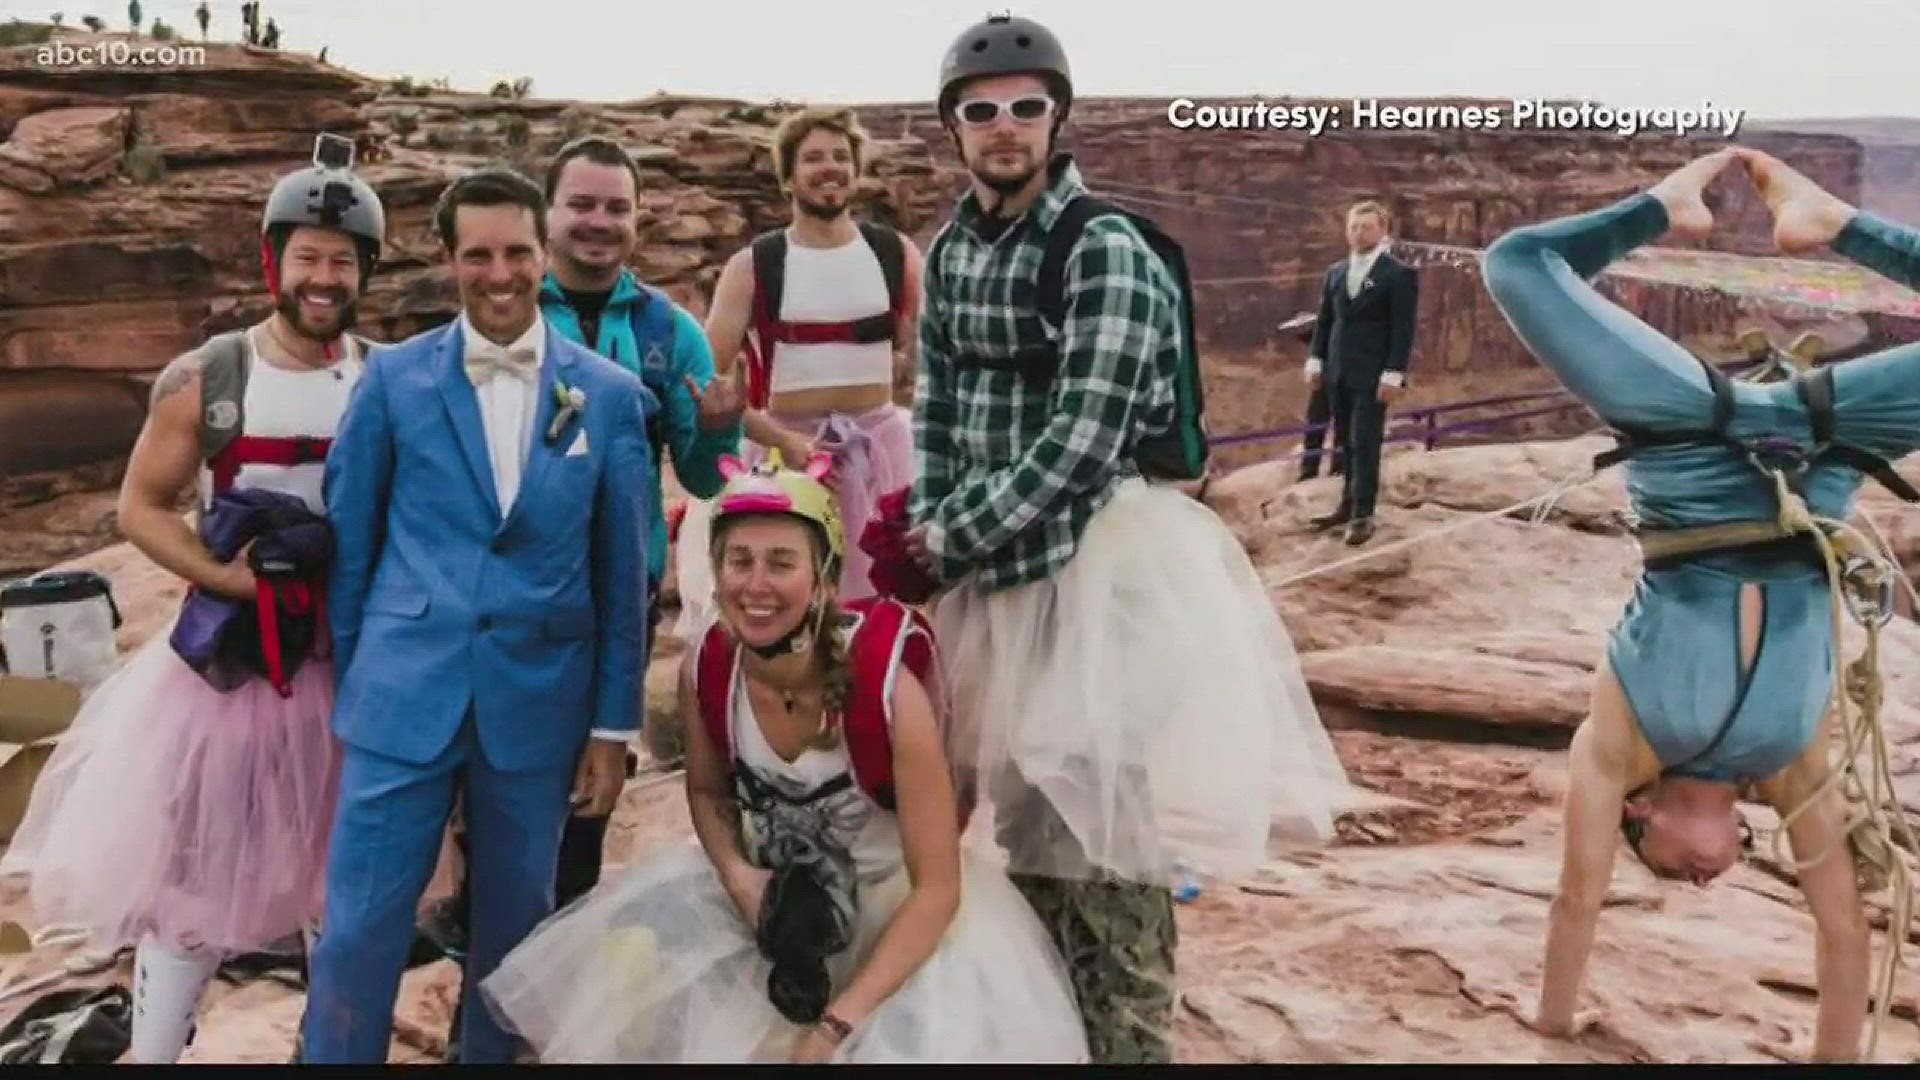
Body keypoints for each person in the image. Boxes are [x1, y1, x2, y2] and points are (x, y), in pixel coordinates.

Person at [904, 13, 1351, 1063]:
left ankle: (1132, 1042)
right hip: (991, 579)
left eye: (1025, 107)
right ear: (952, 128)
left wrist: (947, 537)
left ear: (1058, 118)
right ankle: (1050, 1035)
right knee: (1023, 826)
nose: (1003, 127)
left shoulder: (1102, 248)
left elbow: (1084, 437)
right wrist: (926, 530)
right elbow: (935, 402)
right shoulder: (952, 249)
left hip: (1095, 575)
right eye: (981, 111)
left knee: (1105, 839)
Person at [1481, 146, 1920, 1061]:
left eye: (1671, 871)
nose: (1702, 882)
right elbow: (1844, 935)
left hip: (1686, 443)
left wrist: (1554, 1024)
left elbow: (1576, 900)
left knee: (1515, 264)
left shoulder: (1620, 745)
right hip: (1830, 460)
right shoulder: (1792, 769)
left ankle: (1667, 205)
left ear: (1639, 818)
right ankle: (1835, 227)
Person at [480, 451, 1089, 1063]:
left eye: (782, 563)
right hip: (773, 904)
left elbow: (937, 889)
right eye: (738, 561)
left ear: (824, 579)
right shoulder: (709, 669)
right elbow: (710, 792)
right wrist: (741, 880)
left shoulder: (886, 690)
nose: (756, 586)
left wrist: (834, 1029)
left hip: (898, 917)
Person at [0, 143, 386, 1063]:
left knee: (343, 884)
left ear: (365, 270)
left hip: (348, 665)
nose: (323, 277)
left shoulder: (388, 375)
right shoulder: (210, 377)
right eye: (308, 257)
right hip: (229, 679)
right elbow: (140, 506)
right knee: (193, 885)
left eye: (343, 259)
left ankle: (328, 1048)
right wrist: (236, 582)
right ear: (274, 262)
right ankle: (158, 1049)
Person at [299, 167, 654, 1063]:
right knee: (358, 929)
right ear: (448, 258)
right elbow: (351, 547)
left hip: (541, 703)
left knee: (517, 932)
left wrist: (612, 725)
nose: (500, 275)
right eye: (479, 255)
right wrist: (363, 676)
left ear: (545, 253)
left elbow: (623, 577)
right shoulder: (391, 382)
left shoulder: (606, 396)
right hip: (401, 693)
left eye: (518, 253)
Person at [423, 134, 744, 1055]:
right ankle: (479, 999)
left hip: (613, 601)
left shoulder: (666, 332)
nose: (599, 222)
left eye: (618, 207)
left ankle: (542, 1008)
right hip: (497, 595)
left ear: (638, 220)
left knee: (581, 799)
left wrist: (718, 432)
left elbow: (701, 473)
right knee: (482, 793)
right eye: (582, 205)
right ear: (548, 215)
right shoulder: (512, 301)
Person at [676, 106, 922, 639]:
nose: (828, 168)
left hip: (880, 456)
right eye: (812, 158)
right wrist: (780, 440)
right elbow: (706, 383)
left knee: (883, 616)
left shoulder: (894, 255)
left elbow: (932, 360)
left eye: (840, 156)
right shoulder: (755, 265)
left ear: (856, 171)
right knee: (782, 613)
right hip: (783, 458)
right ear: (788, 176)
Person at [1305, 200, 1420, 545]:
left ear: (1383, 231)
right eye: (1354, 227)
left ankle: (1363, 514)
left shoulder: (1398, 274)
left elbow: (1404, 328)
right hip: (1338, 368)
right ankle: (1346, 505)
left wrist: (1394, 372)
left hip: (1373, 372)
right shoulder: (1336, 272)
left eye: (1367, 227)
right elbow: (1325, 321)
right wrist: (1315, 359)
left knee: (1365, 441)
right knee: (1343, 441)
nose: (1359, 233)